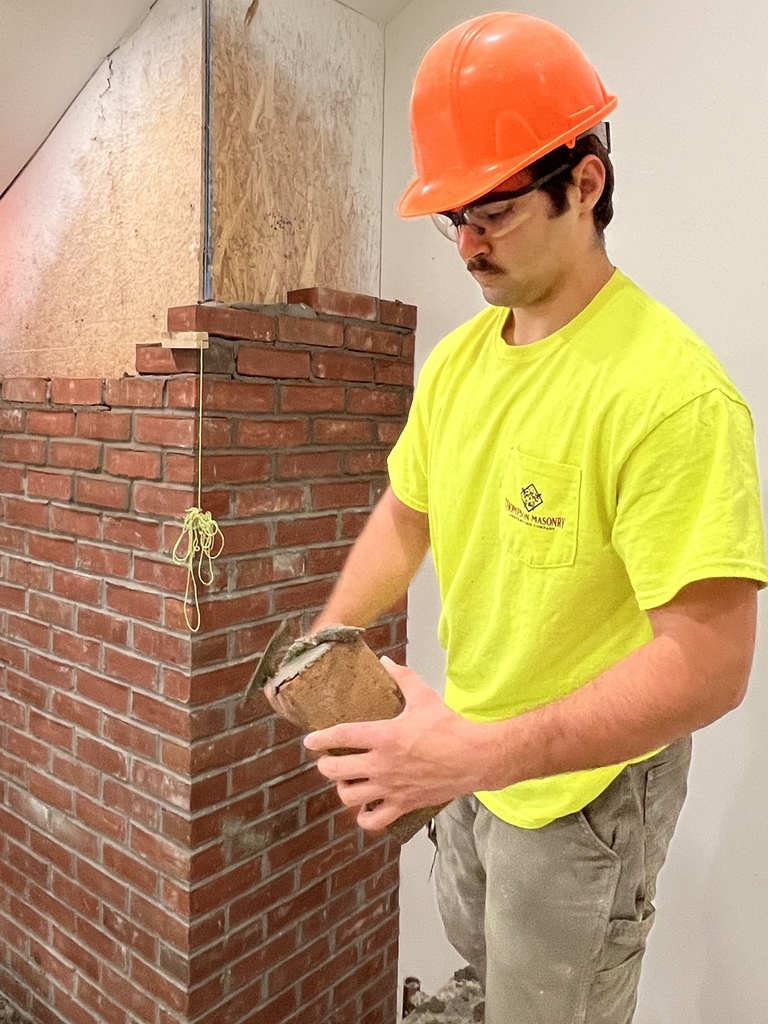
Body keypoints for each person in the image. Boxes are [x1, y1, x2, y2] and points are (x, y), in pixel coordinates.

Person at [294, 13, 766, 1024]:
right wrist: (330, 636)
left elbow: (712, 664)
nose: (465, 246)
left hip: (581, 801)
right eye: (450, 219)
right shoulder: (460, 366)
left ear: (585, 182)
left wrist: (473, 754)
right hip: (467, 755)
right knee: (484, 962)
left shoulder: (668, 393)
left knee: (552, 1007)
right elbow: (408, 511)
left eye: (494, 213)